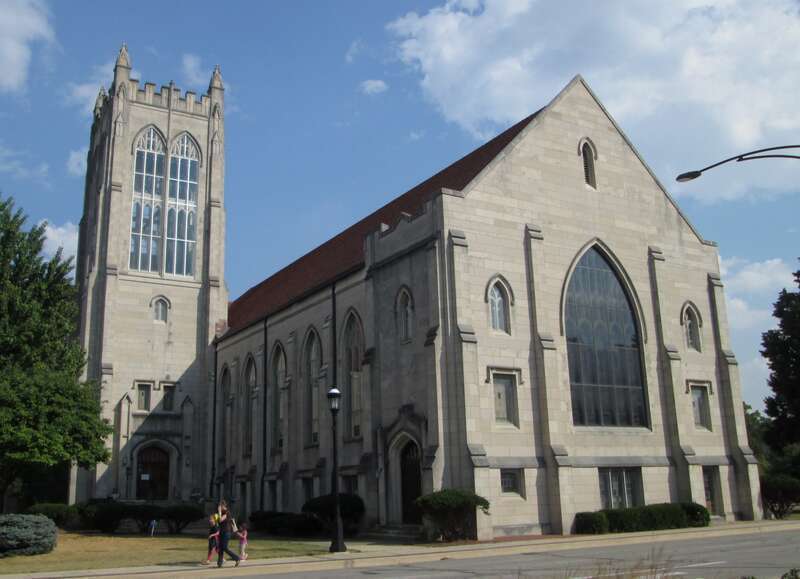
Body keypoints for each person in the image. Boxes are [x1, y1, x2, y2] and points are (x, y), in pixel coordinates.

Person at [216, 502, 241, 568]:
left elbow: (221, 520)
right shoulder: (223, 513)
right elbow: (219, 522)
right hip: (222, 532)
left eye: (220, 506)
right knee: (220, 548)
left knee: (224, 548)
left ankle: (237, 558)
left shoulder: (227, 512)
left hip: (226, 532)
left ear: (223, 506)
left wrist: (219, 512)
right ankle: (219, 563)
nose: (219, 508)